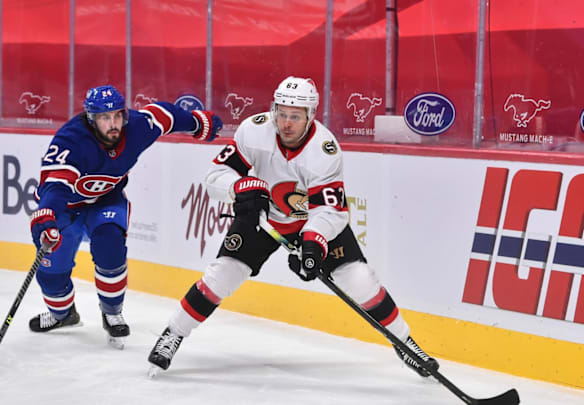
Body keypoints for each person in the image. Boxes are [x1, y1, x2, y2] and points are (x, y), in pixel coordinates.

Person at [147, 76, 439, 376]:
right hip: (263, 218)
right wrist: (240, 187)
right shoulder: (254, 130)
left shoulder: (324, 151)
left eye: (295, 117)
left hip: (311, 222)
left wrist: (313, 242)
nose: (286, 123)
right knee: (222, 275)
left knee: (360, 279)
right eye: (282, 113)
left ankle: (406, 344)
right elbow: (215, 176)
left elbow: (330, 209)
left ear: (311, 116)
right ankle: (173, 333)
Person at [28, 85, 222, 349]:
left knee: (110, 246)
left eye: (118, 116)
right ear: (90, 118)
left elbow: (166, 115)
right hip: (66, 207)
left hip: (107, 200)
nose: (113, 124)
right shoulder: (70, 141)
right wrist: (46, 217)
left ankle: (111, 311)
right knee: (52, 275)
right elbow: (55, 187)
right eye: (105, 118)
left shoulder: (138, 127)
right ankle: (63, 315)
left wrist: (198, 123)